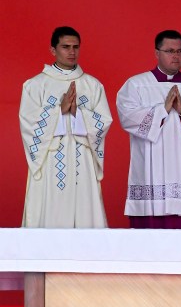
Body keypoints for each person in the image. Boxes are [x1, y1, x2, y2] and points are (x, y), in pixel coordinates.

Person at [116, 30, 181, 228]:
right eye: (170, 51)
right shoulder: (137, 84)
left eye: (180, 51)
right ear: (157, 53)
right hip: (151, 168)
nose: (176, 56)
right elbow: (127, 116)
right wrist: (162, 110)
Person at [19, 26, 112, 227]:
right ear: (53, 50)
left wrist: (79, 113)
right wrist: (58, 112)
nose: (72, 52)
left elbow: (104, 121)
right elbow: (28, 123)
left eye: (76, 47)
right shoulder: (36, 85)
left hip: (83, 161)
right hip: (51, 159)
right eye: (65, 47)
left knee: (85, 213)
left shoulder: (92, 85)